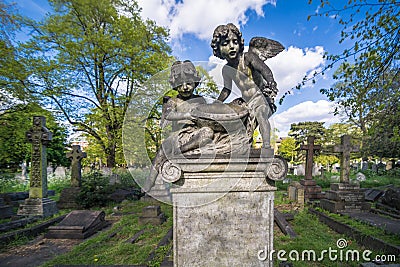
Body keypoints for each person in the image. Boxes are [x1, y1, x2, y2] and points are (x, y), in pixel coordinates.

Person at [143, 60, 214, 192]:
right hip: (178, 135)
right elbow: (168, 116)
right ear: (175, 85)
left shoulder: (200, 100)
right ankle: (150, 181)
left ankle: (179, 152)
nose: (185, 87)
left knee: (208, 132)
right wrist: (186, 115)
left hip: (195, 134)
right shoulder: (173, 101)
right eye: (181, 85)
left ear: (195, 83)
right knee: (163, 149)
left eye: (189, 83)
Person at [210, 23, 280, 151]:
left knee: (260, 115)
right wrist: (216, 103)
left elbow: (265, 70)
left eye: (234, 42)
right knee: (232, 117)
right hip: (245, 101)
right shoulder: (226, 69)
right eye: (225, 44)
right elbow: (226, 90)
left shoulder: (248, 57)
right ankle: (235, 146)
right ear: (218, 49)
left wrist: (271, 82)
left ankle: (266, 147)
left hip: (260, 97)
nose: (231, 46)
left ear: (240, 44)